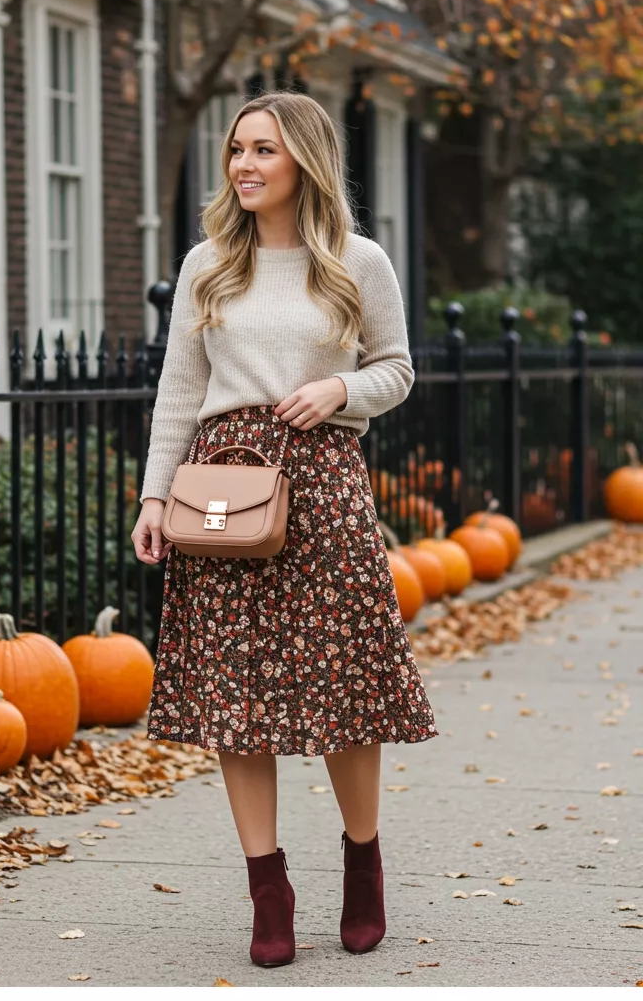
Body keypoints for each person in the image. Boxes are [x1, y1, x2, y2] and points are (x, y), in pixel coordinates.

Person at [131, 90, 438, 968]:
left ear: (304, 158)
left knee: (342, 683)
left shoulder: (356, 261)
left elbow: (398, 369)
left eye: (264, 149)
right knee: (235, 695)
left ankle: (363, 864)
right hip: (222, 487)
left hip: (324, 483)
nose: (245, 165)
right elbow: (179, 395)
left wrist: (340, 391)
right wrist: (156, 499)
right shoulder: (207, 265)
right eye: (236, 150)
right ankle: (268, 890)